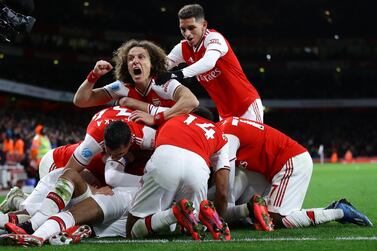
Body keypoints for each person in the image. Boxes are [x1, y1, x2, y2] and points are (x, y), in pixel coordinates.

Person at [217, 117, 373, 229]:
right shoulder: (226, 126)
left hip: (289, 163)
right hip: (280, 164)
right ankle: (334, 209)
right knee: (262, 216)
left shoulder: (225, 136)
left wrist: (224, 210)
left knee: (276, 219)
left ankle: (339, 212)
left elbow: (227, 186)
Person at [126, 114, 231, 240]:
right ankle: (204, 220)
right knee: (192, 227)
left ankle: (173, 214)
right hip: (198, 166)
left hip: (166, 157)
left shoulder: (174, 116)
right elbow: (223, 191)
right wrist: (219, 217)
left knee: (134, 226)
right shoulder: (220, 134)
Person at [155, 4, 263, 122]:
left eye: (191, 28)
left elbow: (208, 62)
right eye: (183, 29)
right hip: (225, 114)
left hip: (247, 105)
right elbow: (162, 65)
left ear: (204, 25)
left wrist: (177, 74)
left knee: (255, 141)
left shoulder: (214, 38)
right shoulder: (182, 48)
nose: (187, 34)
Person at [73, 39, 199, 126]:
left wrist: (155, 118)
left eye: (141, 57)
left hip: (171, 136)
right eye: (130, 58)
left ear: (151, 64)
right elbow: (81, 101)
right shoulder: (121, 86)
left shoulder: (163, 82)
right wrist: (94, 76)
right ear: (126, 66)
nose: (135, 61)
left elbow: (191, 102)